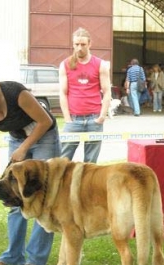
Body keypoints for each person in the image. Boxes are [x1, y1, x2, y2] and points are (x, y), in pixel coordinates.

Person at [0, 76, 61, 265]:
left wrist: (25, 148)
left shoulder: (13, 93)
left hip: (44, 137)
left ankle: (35, 260)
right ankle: (13, 256)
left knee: (42, 199)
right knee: (13, 197)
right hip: (17, 139)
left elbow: (45, 120)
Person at [59, 27, 112, 163]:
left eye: (83, 44)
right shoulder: (65, 64)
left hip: (94, 118)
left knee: (90, 164)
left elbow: (107, 92)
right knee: (63, 161)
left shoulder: (100, 64)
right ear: (73, 44)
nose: (79, 48)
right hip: (73, 119)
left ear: (89, 44)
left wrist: (102, 116)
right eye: (77, 44)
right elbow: (63, 93)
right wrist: (67, 118)